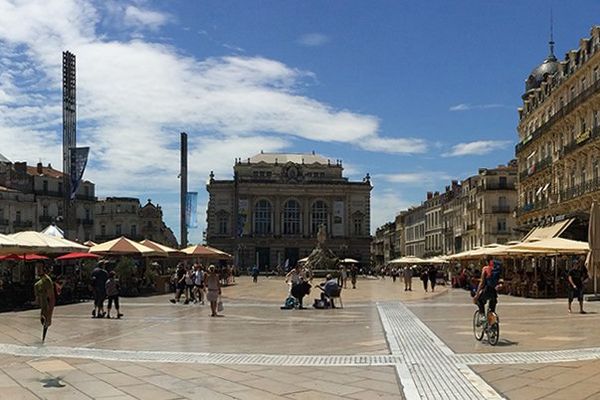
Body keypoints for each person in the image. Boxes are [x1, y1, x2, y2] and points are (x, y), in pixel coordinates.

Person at [34, 264, 56, 342]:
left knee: (45, 326)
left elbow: (52, 298)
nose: (38, 270)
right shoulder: (39, 282)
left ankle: (43, 339)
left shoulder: (47, 280)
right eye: (37, 268)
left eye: (40, 268)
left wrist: (50, 315)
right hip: (42, 308)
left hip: (46, 308)